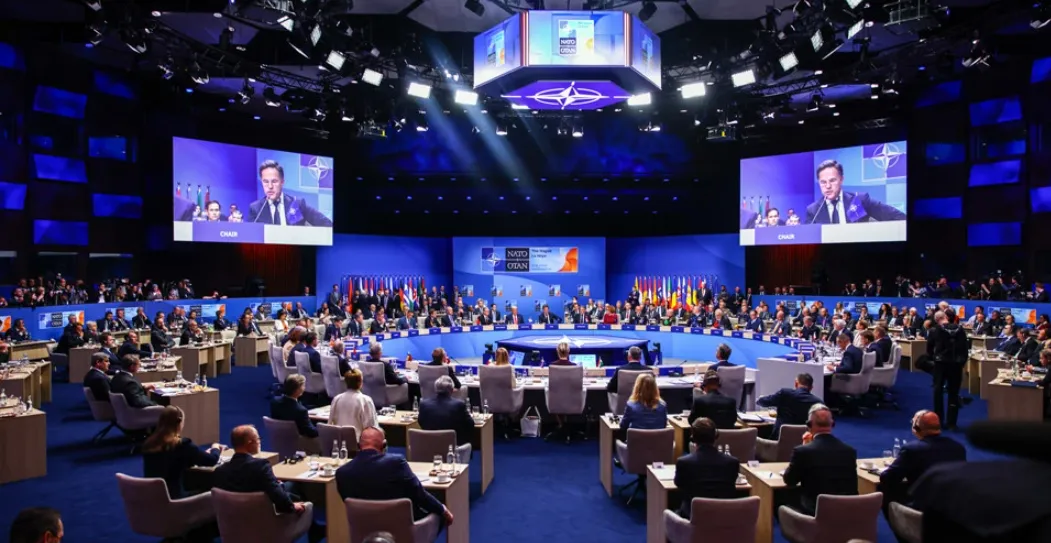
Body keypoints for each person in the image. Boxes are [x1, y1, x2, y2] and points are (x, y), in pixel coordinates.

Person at [336, 427, 454, 526]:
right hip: (402, 530)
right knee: (438, 514)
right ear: (384, 445)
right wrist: (442, 510)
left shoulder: (342, 473)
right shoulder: (396, 463)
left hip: (364, 531)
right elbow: (420, 495)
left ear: (359, 446)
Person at [879, 410, 966, 520]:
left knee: (884, 489)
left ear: (916, 428)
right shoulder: (958, 447)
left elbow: (888, 478)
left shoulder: (912, 449)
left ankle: (902, 526)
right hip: (952, 508)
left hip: (923, 511)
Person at [213, 425, 310, 516]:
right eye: (258, 439)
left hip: (232, 521)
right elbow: (277, 495)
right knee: (294, 488)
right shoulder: (261, 466)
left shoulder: (220, 471)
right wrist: (292, 506)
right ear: (250, 443)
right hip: (265, 520)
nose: (259, 442)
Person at [782, 405, 858, 514]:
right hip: (845, 512)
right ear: (832, 424)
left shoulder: (802, 451)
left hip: (815, 513)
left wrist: (805, 446)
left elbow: (790, 480)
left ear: (809, 425)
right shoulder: (849, 451)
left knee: (780, 497)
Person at [142, 406, 222, 499]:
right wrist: (215, 448)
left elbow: (167, 461)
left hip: (152, 498)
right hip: (175, 500)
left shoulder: (149, 443)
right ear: (179, 424)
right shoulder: (182, 445)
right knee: (211, 489)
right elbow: (211, 460)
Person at [673, 418, 741, 518]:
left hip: (692, 517)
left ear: (693, 438)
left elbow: (679, 483)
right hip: (723, 516)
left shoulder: (683, 462)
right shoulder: (732, 462)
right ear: (715, 436)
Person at [804, 159, 906, 224]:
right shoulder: (813, 210)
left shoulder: (859, 200)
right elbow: (808, 238)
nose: (827, 186)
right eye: (823, 182)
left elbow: (899, 217)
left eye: (832, 180)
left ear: (841, 179)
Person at [247, 160, 333, 226]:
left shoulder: (297, 204)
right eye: (265, 182)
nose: (270, 186)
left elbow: (327, 224)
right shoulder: (256, 209)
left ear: (282, 182)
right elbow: (250, 235)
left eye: (274, 181)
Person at [927, 309, 969, 430]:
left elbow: (929, 349)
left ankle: (938, 420)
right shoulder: (960, 329)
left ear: (937, 319)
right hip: (956, 364)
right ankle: (952, 423)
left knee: (938, 391)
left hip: (940, 364)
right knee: (954, 392)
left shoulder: (934, 330)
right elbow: (965, 348)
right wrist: (961, 363)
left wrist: (934, 358)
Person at [419, 376, 476, 460]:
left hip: (429, 447)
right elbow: (471, 424)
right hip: (452, 449)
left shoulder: (424, 404)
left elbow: (421, 422)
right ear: (452, 390)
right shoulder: (459, 405)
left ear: (435, 389)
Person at [756, 373, 822, 438]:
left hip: (778, 440)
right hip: (804, 441)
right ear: (811, 388)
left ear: (796, 383)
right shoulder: (818, 403)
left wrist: (759, 400)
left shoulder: (785, 393)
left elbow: (765, 402)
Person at [269, 375, 320, 453]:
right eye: (303, 386)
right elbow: (311, 433)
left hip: (279, 439)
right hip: (299, 443)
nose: (304, 388)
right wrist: (321, 428)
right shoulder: (300, 410)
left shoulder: (274, 402)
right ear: (297, 390)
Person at [328, 369, 377, 443]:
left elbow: (330, 424)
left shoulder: (336, 399)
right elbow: (371, 429)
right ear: (360, 382)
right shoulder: (366, 400)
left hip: (339, 443)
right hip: (359, 444)